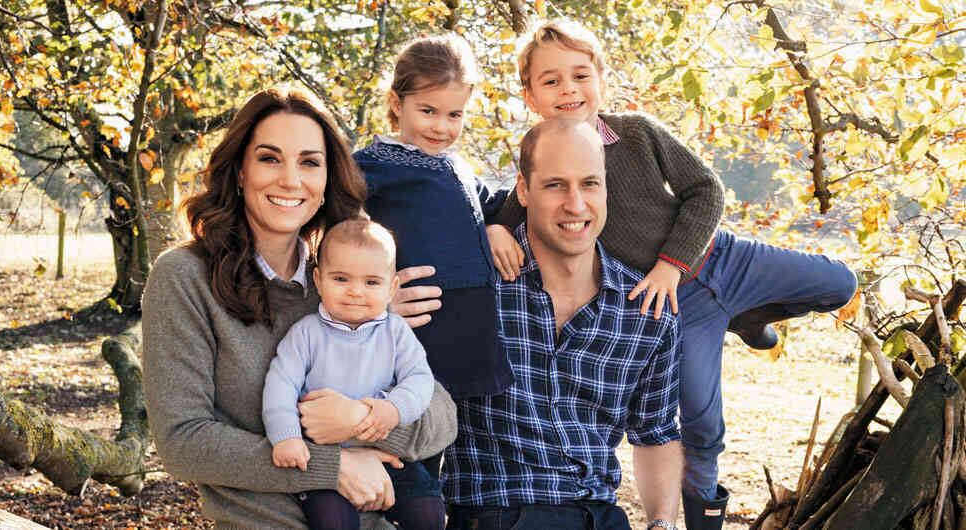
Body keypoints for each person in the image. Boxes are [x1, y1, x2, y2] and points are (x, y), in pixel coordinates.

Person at [483, 20, 857, 530]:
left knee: (840, 284)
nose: (568, 89)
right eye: (551, 81)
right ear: (530, 96)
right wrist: (494, 230)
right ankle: (702, 521)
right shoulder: (543, 161)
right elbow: (513, 212)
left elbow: (706, 189)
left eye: (580, 75)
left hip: (721, 259)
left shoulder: (636, 133)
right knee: (701, 423)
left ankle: (749, 317)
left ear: (601, 79)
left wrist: (670, 264)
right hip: (680, 306)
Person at [141, 87, 457, 530]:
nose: (291, 180)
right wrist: (333, 466)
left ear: (328, 179)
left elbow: (442, 418)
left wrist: (361, 421)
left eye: (309, 162)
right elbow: (184, 442)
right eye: (270, 158)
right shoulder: (185, 277)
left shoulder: (346, 280)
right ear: (240, 171)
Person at [444, 118, 683, 530]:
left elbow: (656, 433)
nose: (575, 205)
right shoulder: (473, 288)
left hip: (601, 516)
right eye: (555, 185)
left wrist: (662, 524)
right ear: (523, 190)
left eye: (589, 184)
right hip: (500, 512)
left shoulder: (645, 310)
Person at [354, 34, 513, 402]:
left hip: (472, 336)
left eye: (454, 115)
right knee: (415, 427)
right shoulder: (373, 166)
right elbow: (330, 230)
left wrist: (496, 226)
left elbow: (494, 205)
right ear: (397, 103)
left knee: (461, 431)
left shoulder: (458, 168)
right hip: (420, 334)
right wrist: (372, 301)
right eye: (428, 111)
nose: (442, 127)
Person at [262, 219, 444, 530]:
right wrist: (286, 436)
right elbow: (280, 385)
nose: (355, 292)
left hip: (386, 454)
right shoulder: (305, 334)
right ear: (318, 280)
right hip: (325, 458)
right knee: (333, 521)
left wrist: (394, 408)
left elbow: (419, 379)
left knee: (427, 513)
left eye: (371, 282)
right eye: (341, 279)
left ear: (392, 287)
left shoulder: (395, 332)